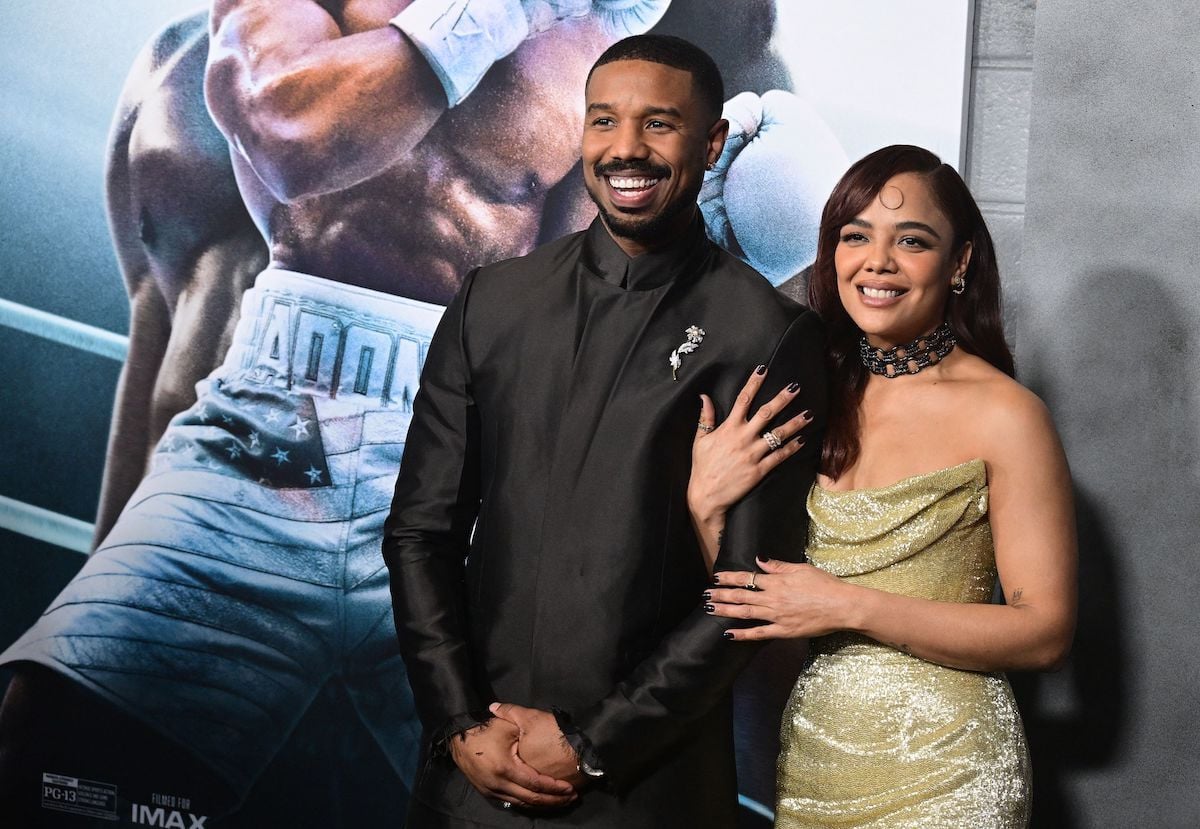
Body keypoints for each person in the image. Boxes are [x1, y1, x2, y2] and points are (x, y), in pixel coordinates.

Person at [0, 1, 673, 823]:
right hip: (261, 442)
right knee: (56, 768)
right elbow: (293, 137)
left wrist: (754, 243)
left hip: (457, 478)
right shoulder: (279, 18)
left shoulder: (596, 51)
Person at [382, 34, 827, 828]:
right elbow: (421, 531)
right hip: (472, 778)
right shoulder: (493, 301)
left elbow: (748, 592)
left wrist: (592, 741)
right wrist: (459, 721)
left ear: (712, 141)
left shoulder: (765, 333)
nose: (627, 149)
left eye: (659, 125)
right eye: (603, 121)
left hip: (646, 788)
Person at [687, 145, 1077, 827]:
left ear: (959, 264)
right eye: (855, 235)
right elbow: (754, 605)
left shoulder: (1007, 414)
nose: (878, 261)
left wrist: (847, 604)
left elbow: (1044, 632)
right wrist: (705, 505)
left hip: (950, 771)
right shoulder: (807, 394)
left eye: (913, 241)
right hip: (811, 758)